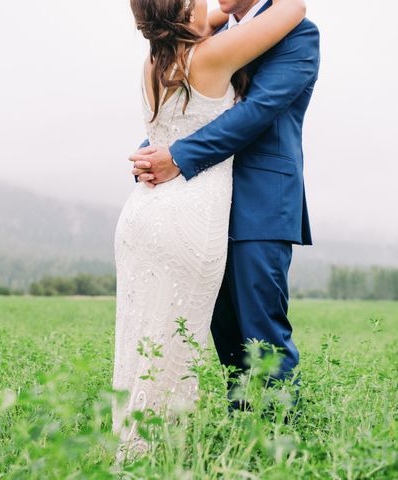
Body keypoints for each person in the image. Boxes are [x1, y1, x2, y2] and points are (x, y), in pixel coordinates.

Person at [113, 0, 313, 456]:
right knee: (224, 340)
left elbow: (256, 111)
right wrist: (164, 151)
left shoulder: (300, 36)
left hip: (258, 205)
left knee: (262, 334)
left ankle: (280, 448)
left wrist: (172, 155)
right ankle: (246, 441)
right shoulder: (211, 41)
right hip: (198, 210)